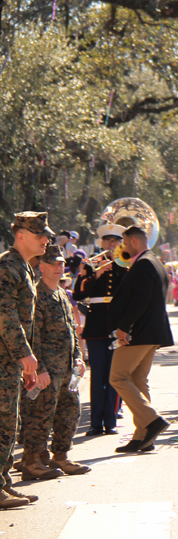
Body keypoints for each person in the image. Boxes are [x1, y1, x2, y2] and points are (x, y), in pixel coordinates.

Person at [20, 245, 90, 480]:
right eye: (54, 263)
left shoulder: (61, 294)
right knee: (40, 414)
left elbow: (71, 330)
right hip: (47, 370)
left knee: (69, 411)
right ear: (42, 266)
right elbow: (33, 335)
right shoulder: (36, 296)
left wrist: (78, 357)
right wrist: (39, 369)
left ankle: (60, 456)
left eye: (61, 263)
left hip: (67, 370)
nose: (59, 267)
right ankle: (32, 461)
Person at [0, 212, 52, 508]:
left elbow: (25, 320)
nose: (45, 240)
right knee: (2, 422)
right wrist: (23, 353)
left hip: (10, 361)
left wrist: (27, 364)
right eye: (38, 235)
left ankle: (4, 483)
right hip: (4, 357)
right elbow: (4, 314)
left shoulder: (24, 267)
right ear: (20, 235)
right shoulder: (7, 266)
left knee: (9, 423)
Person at [108, 226, 175, 452]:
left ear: (134, 241)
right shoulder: (154, 261)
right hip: (151, 331)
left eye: (125, 243)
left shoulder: (144, 263)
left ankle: (152, 420)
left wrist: (123, 327)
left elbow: (141, 300)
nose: (123, 248)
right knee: (137, 379)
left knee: (117, 377)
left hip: (140, 331)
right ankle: (143, 436)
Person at [73, 223, 128, 436]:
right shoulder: (90, 263)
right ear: (101, 242)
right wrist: (96, 274)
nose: (111, 244)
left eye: (115, 241)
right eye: (108, 240)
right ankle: (96, 422)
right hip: (96, 325)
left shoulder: (125, 262)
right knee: (97, 376)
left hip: (116, 325)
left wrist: (115, 266)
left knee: (113, 375)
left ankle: (111, 421)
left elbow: (130, 290)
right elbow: (78, 293)